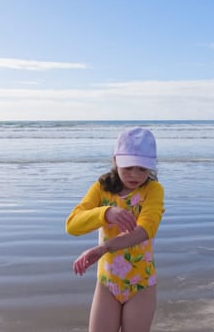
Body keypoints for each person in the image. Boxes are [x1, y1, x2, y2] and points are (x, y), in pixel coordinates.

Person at [65, 127, 165, 332]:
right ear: (115, 161)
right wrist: (105, 213)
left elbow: (145, 230)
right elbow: (72, 225)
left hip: (141, 284)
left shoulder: (153, 190)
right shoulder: (102, 188)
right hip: (107, 283)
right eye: (128, 167)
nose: (135, 175)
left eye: (142, 169)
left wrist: (102, 249)